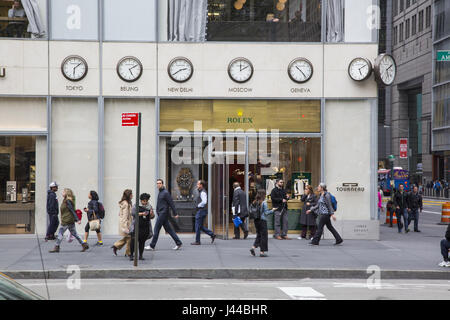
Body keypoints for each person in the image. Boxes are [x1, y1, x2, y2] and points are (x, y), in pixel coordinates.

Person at [50, 188, 89, 253]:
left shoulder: (67, 201)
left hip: (67, 220)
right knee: (74, 233)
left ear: (66, 193)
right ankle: (84, 244)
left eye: (63, 192)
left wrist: (77, 219)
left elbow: (72, 210)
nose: (62, 193)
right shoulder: (66, 200)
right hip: (69, 220)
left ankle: (56, 247)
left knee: (60, 233)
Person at [148, 179, 183, 251]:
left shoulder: (165, 193)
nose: (158, 184)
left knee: (156, 229)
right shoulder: (160, 192)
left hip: (163, 213)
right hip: (161, 213)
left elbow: (171, 203)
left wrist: (175, 213)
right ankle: (178, 243)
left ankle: (152, 245)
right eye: (157, 183)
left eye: (160, 183)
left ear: (162, 184)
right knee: (169, 229)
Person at [250, 190, 276, 257]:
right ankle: (262, 252)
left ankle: (253, 247)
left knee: (259, 234)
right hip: (262, 220)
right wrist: (272, 210)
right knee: (264, 236)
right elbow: (266, 213)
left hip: (256, 221)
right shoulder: (264, 202)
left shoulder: (254, 201)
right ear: (264, 195)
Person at [191, 180, 216, 246]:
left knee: (197, 226)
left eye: (198, 184)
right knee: (200, 226)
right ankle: (212, 234)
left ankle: (197, 241)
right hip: (202, 211)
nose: (197, 185)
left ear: (201, 185)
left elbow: (204, 202)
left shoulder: (203, 192)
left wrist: (198, 205)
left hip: (201, 211)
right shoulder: (201, 191)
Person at [129, 193, 153, 261]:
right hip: (137, 226)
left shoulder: (149, 206)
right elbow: (133, 213)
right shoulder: (136, 205)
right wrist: (142, 214)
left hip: (145, 227)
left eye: (146, 201)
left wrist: (151, 213)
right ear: (141, 200)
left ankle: (141, 255)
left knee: (142, 242)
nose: (145, 202)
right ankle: (131, 255)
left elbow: (152, 217)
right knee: (133, 241)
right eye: (143, 201)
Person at [112, 189, 133, 257]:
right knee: (130, 237)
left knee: (128, 238)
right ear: (128, 195)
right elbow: (125, 216)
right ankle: (128, 252)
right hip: (126, 223)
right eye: (131, 194)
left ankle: (116, 246)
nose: (132, 195)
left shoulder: (126, 203)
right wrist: (125, 226)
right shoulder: (126, 204)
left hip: (127, 222)